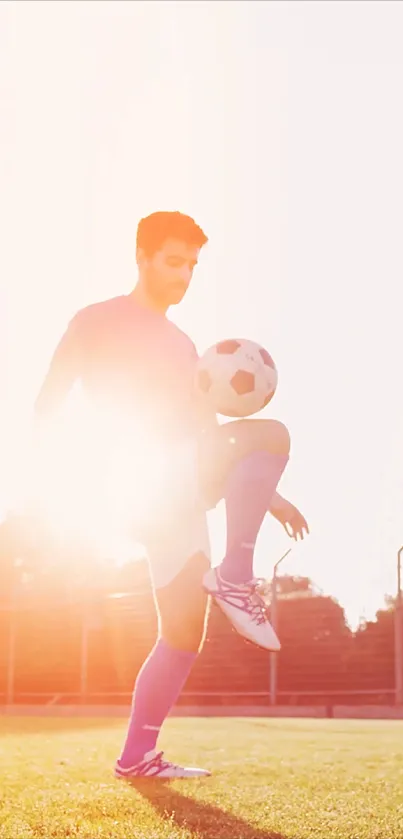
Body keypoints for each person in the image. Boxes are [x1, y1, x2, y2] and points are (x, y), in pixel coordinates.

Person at [33, 211, 309, 779]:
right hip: (146, 481)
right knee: (273, 433)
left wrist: (272, 498)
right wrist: (65, 469)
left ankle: (137, 758)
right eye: (174, 262)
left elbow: (209, 433)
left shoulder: (186, 345)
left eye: (193, 266)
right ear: (143, 257)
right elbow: (48, 405)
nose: (185, 275)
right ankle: (236, 575)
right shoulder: (97, 320)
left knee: (184, 631)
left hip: (180, 490)